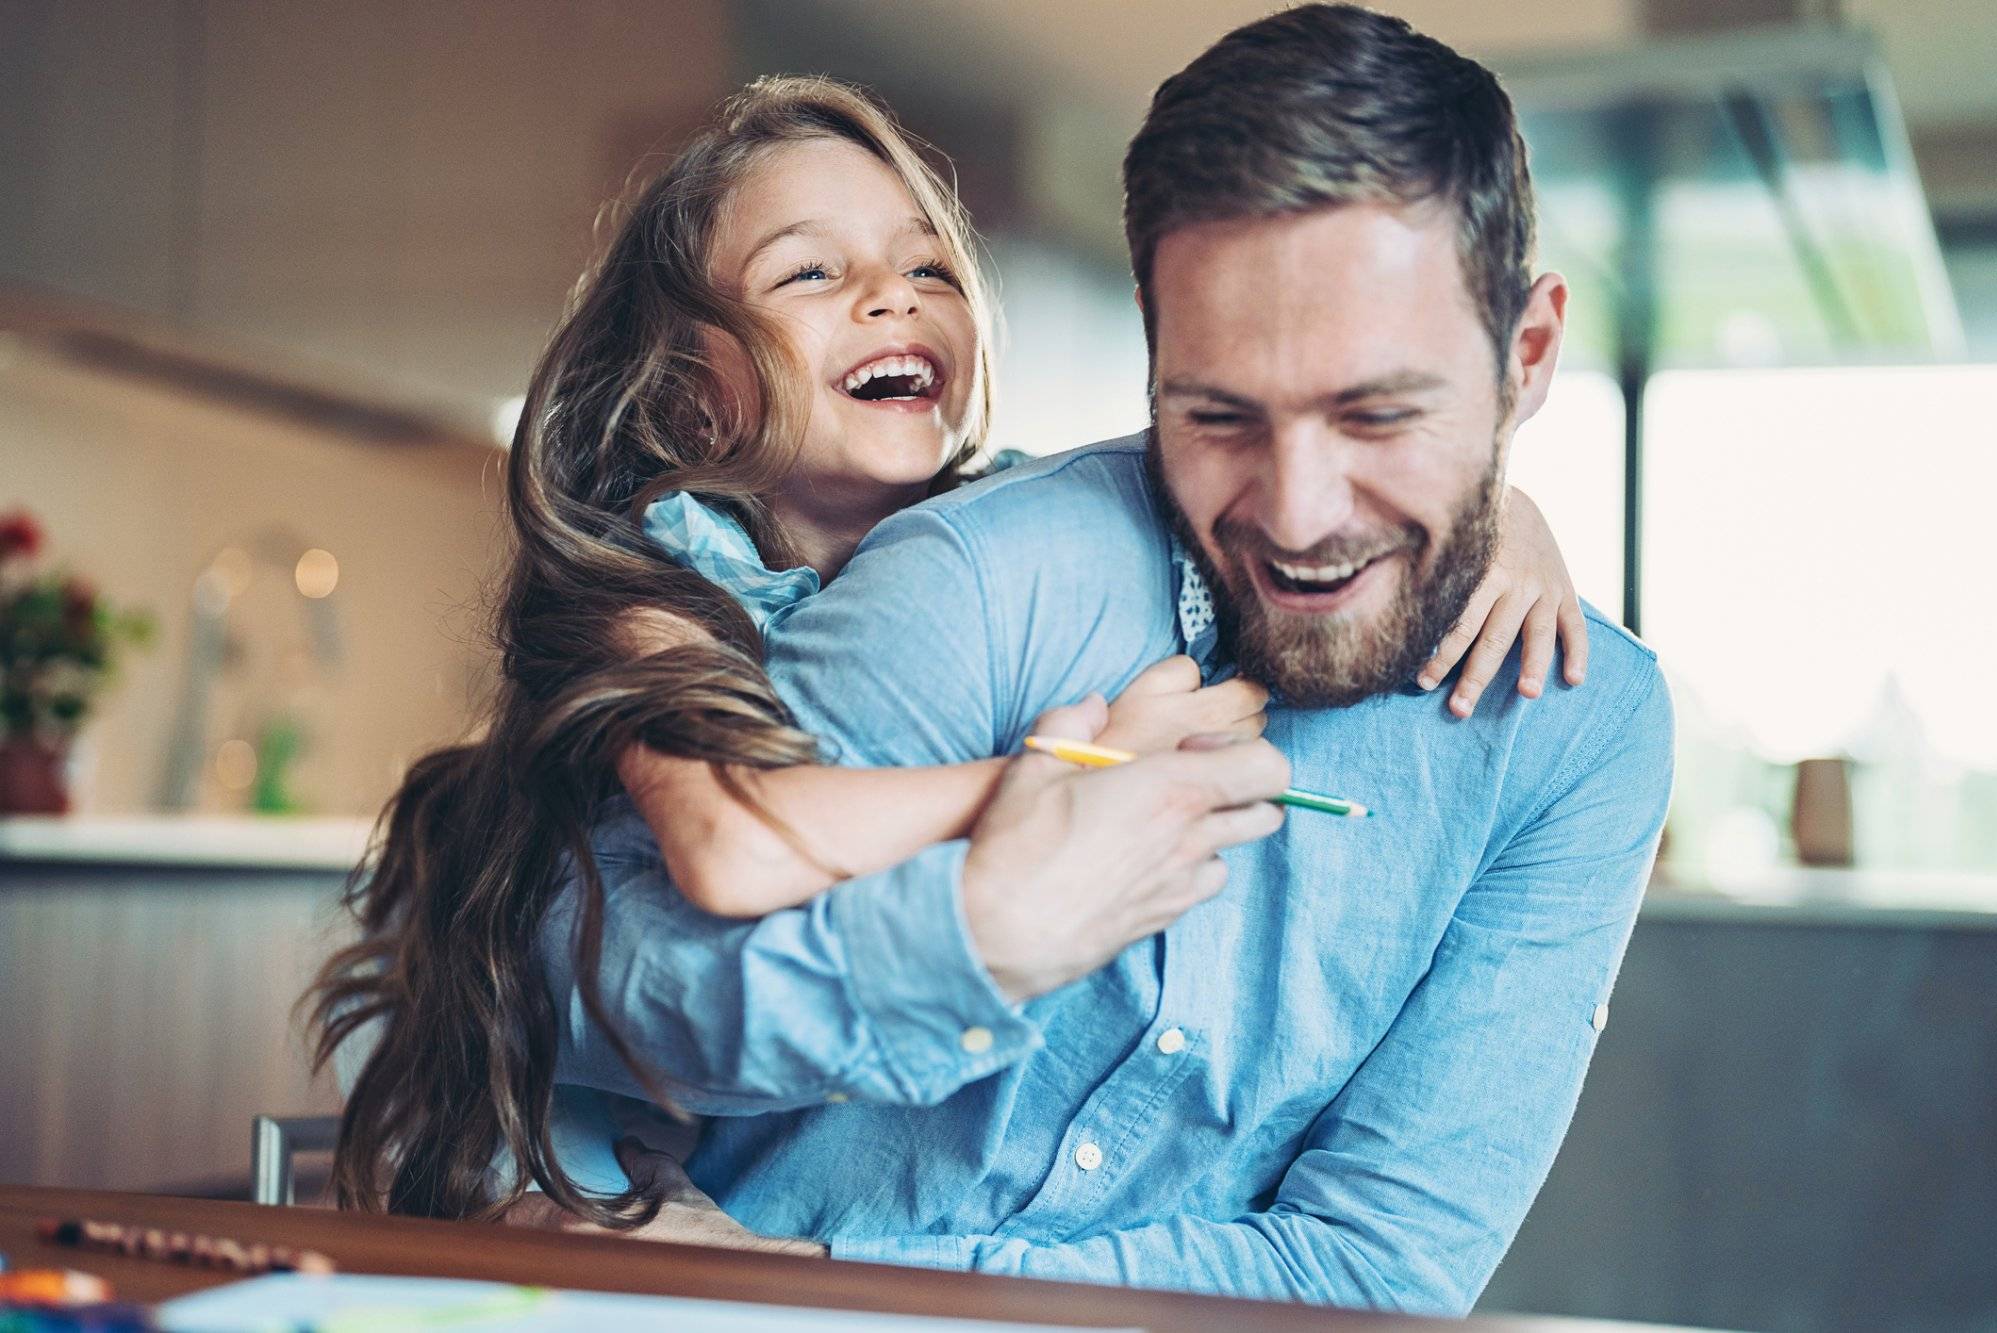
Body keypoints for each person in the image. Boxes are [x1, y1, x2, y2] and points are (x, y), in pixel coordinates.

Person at [312, 10, 1616, 1311]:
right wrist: (1044, 792)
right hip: (555, 1138)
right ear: (690, 393)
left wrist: (1499, 503)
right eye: (810, 276)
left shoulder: (1007, 531)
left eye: (928, 269)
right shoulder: (660, 583)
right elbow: (730, 848)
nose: (893, 297)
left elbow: (1381, 1265)